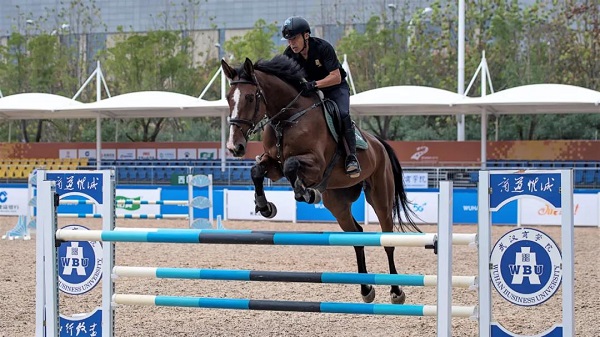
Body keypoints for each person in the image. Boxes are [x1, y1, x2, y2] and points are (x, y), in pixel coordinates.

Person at [281, 16, 361, 178]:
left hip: (335, 88)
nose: (292, 44)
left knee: (342, 113)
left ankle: (351, 157)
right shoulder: (288, 54)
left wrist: (314, 84)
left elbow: (336, 77)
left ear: (306, 35)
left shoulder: (323, 48)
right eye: (289, 40)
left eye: (294, 38)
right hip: (311, 91)